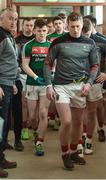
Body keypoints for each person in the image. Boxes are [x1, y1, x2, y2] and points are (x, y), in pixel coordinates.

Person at [44, 12, 99, 170]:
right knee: (66, 121)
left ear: (82, 25)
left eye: (78, 26)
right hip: (61, 86)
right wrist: (49, 85)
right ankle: (65, 154)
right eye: (72, 27)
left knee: (77, 122)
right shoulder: (58, 42)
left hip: (80, 87)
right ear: (67, 26)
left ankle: (74, 151)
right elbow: (48, 63)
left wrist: (89, 83)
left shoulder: (89, 43)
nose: (75, 30)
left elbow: (95, 65)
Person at [81, 18, 106, 155]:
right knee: (81, 111)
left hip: (96, 81)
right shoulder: (72, 40)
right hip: (79, 81)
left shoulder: (100, 40)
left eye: (87, 33)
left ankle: (99, 129)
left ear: (91, 29)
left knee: (95, 109)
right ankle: (84, 136)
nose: (84, 36)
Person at [22, 18, 50, 156]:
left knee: (43, 113)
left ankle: (40, 142)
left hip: (46, 84)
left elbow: (55, 64)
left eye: (44, 31)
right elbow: (25, 65)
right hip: (32, 83)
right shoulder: (28, 45)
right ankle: (35, 132)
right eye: (39, 31)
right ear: (34, 31)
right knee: (33, 117)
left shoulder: (51, 45)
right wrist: (35, 77)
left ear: (47, 31)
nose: (42, 33)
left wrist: (50, 77)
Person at [0, 8, 18, 178]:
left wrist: (12, 82)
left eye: (15, 19)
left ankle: (1, 158)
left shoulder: (8, 36)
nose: (14, 22)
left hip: (7, 85)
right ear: (1, 19)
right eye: (11, 18)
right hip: (0, 86)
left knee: (4, 126)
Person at [15, 18, 35, 140]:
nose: (29, 27)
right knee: (24, 103)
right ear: (22, 26)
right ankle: (24, 128)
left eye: (31, 25)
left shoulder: (37, 39)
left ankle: (35, 127)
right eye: (27, 25)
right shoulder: (17, 40)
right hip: (22, 74)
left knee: (35, 105)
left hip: (35, 75)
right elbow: (15, 57)